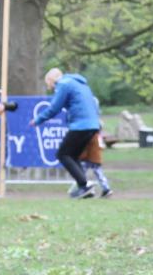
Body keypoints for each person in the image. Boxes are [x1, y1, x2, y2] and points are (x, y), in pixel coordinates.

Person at [29, 67, 101, 198]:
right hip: (93, 124)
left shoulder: (63, 84)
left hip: (81, 125)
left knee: (62, 154)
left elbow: (54, 108)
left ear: (51, 79)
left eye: (48, 83)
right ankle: (85, 187)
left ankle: (84, 185)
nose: (49, 87)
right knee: (73, 156)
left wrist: (38, 119)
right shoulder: (80, 83)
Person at [79, 132, 112, 198]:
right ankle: (106, 189)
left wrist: (81, 157)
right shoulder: (98, 136)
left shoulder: (87, 135)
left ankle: (87, 189)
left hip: (87, 158)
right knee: (99, 174)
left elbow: (84, 147)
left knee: (82, 174)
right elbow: (102, 147)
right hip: (96, 158)